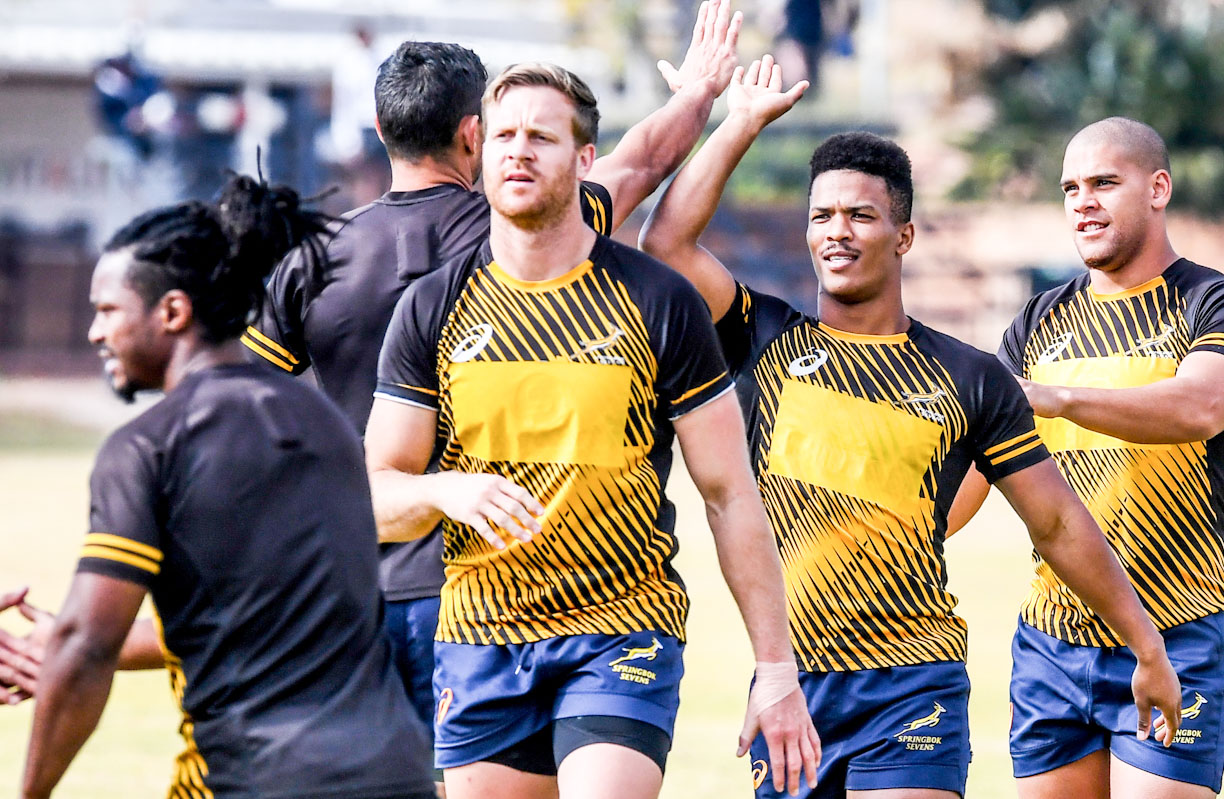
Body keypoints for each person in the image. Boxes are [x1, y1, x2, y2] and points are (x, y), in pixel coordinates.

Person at [638, 60, 1181, 799]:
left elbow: (1057, 522)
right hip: (792, 684)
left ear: (904, 235)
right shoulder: (764, 339)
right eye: (822, 216)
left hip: (914, 682)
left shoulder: (970, 377)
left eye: (861, 216)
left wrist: (1146, 645)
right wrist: (740, 121)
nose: (838, 232)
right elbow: (666, 245)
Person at [241, 4, 744, 762]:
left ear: (379, 129)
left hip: (349, 576)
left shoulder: (311, 260)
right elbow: (641, 162)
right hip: (484, 585)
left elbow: (247, 418)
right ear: (474, 135)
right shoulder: (513, 231)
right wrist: (701, 93)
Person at [362, 61, 820, 799]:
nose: (519, 151)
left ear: (583, 160)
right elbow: (377, 493)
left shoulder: (657, 299)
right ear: (477, 149)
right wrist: (446, 491)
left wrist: (775, 669)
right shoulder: (433, 306)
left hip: (623, 627)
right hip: (481, 637)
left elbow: (730, 492)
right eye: (504, 135)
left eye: (541, 137)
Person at [17, 175, 435, 799]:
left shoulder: (151, 445)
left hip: (254, 779)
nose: (95, 333)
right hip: (394, 774)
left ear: (172, 312)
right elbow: (255, 616)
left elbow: (87, 646)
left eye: (107, 311)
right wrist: (62, 640)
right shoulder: (327, 427)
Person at [954, 116, 1224, 799]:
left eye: (1103, 183)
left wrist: (1058, 398)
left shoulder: (1218, 304)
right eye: (1070, 188)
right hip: (1051, 640)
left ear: (1158, 189)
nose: (1083, 202)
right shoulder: (1038, 322)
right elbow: (963, 487)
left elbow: (1199, 407)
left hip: (1179, 628)